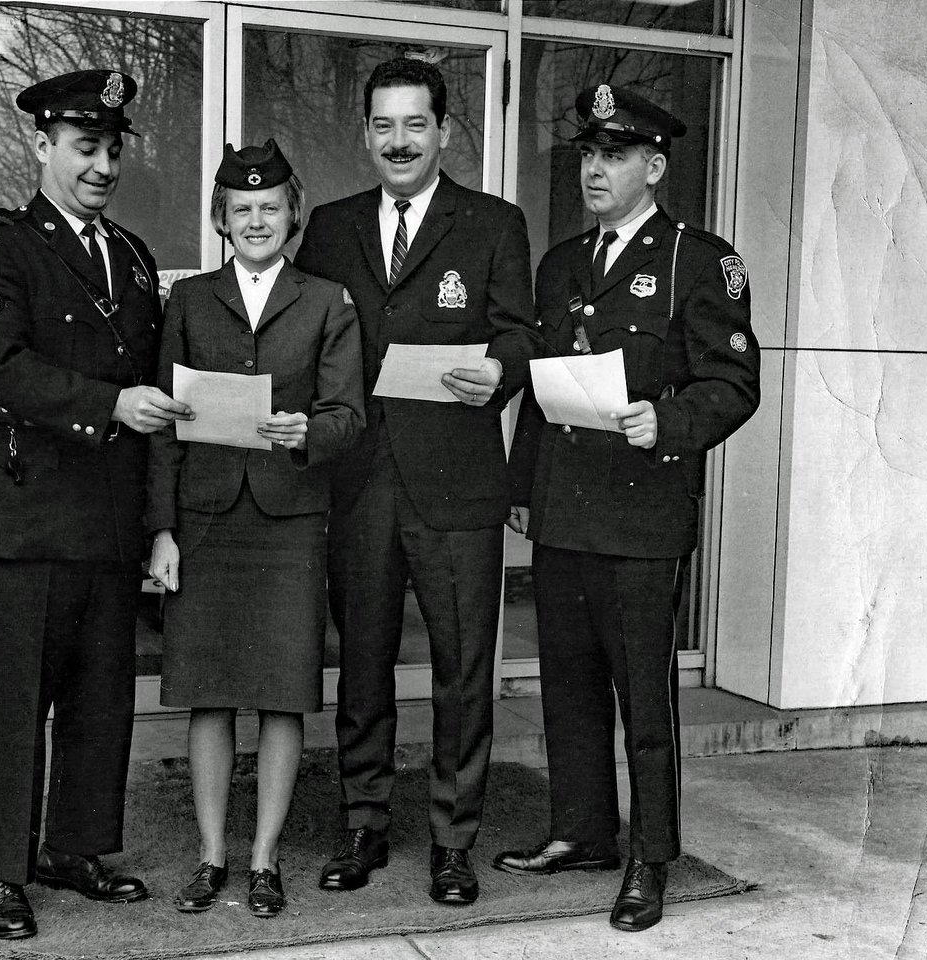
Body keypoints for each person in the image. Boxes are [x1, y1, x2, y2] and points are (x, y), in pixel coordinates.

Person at [496, 84, 761, 932]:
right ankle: (582, 832)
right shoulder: (563, 264)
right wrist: (522, 491)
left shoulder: (699, 259)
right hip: (567, 509)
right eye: (587, 155)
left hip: (644, 516)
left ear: (654, 166)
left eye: (614, 156)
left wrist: (668, 419)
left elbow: (734, 383)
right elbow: (543, 389)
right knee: (567, 684)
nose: (596, 170)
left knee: (645, 698)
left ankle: (651, 856)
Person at [0, 69, 192, 940]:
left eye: (113, 150)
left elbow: (156, 380)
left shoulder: (130, 256)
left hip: (109, 516)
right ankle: (3, 872)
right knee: (13, 703)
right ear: (41, 145)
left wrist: (159, 514)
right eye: (85, 148)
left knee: (100, 697)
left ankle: (76, 849)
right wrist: (108, 405)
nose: (102, 166)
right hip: (21, 514)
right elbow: (0, 365)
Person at [294, 56, 536, 905]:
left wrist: (498, 373)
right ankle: (362, 824)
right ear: (365, 134)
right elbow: (310, 338)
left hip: (458, 482)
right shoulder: (328, 226)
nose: (399, 141)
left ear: (444, 131)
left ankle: (450, 841)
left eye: (415, 124)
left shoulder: (494, 224)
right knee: (360, 661)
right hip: (358, 481)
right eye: (383, 126)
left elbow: (518, 336)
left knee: (463, 668)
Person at [146, 139, 364, 919]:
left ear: (292, 214)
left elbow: (349, 416)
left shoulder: (327, 300)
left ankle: (265, 861)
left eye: (271, 207)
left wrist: (307, 429)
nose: (257, 220)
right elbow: (164, 428)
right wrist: (162, 530)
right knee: (208, 697)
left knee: (280, 697)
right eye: (242, 210)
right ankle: (211, 857)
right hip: (206, 520)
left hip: (289, 521)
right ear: (221, 220)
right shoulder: (190, 301)